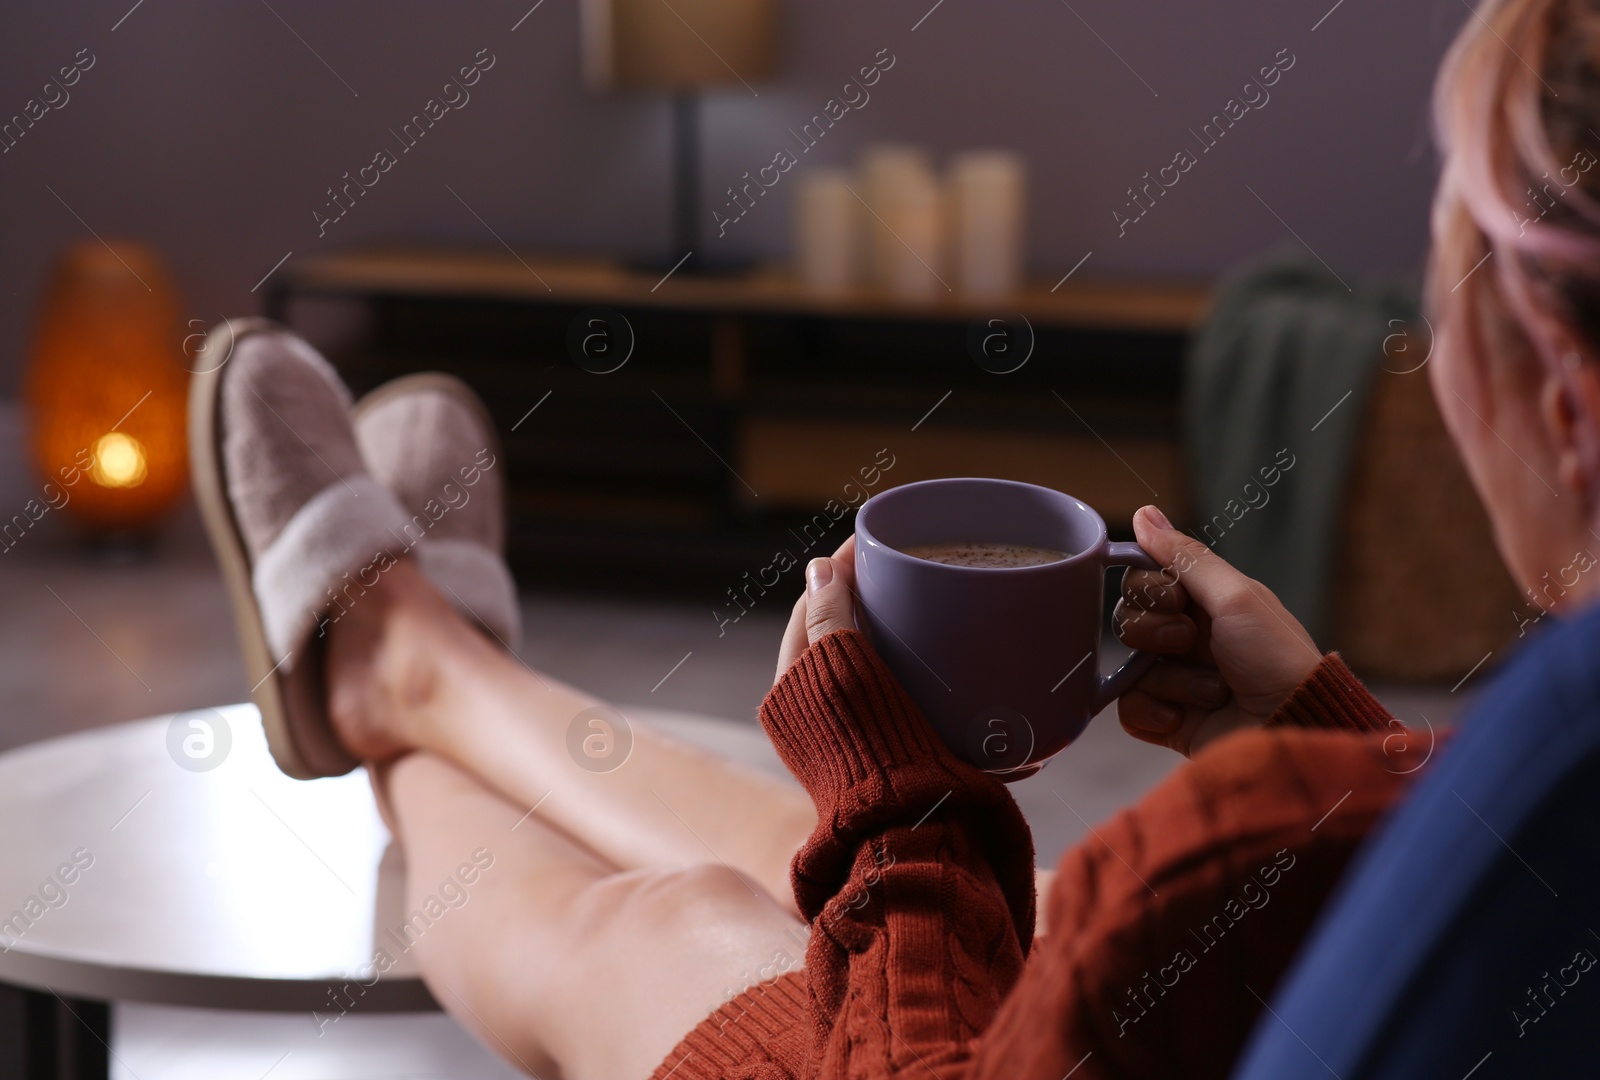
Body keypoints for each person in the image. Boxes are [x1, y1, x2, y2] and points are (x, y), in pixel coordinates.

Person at [184, 2, 1595, 1077]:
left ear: (1568, 403)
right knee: (884, 866)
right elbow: (1495, 875)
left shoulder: (1224, 855)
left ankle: (396, 668)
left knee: (678, 918)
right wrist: (1324, 730)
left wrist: (888, 798)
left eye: (1445, 269)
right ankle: (430, 666)